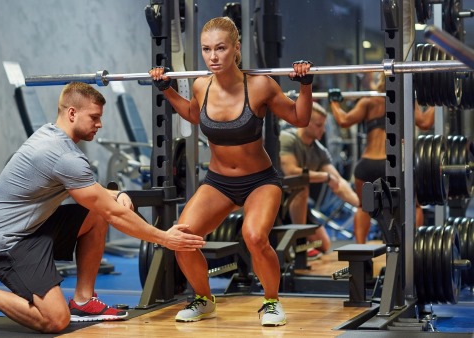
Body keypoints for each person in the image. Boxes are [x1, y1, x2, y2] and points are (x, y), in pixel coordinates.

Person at [0, 82, 206, 334]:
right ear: (72, 113)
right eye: (94, 117)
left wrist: (118, 194)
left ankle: (83, 302)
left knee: (95, 213)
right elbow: (113, 213)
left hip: (31, 228)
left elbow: (96, 196)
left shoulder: (53, 136)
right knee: (55, 320)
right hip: (3, 243)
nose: (100, 124)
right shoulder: (62, 155)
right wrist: (165, 238)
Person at [149, 16, 314, 327]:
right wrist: (166, 90)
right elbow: (194, 116)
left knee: (253, 236)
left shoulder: (260, 85)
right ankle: (204, 299)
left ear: (236, 48)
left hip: (260, 181)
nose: (213, 57)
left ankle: (271, 302)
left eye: (221, 48)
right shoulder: (201, 86)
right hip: (218, 182)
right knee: (181, 236)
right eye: (206, 49)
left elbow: (299, 118)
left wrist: (305, 86)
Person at [328, 75, 433, 243]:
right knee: (414, 206)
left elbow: (343, 120)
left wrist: (333, 101)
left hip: (367, 165)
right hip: (393, 164)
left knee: (363, 207)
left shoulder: (369, 101)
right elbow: (425, 123)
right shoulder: (406, 101)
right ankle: (413, 248)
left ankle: (361, 253)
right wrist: (439, 97)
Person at [279, 102, 360, 259]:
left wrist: (362, 205)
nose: (323, 130)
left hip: (298, 206)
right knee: (301, 186)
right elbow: (291, 173)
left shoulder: (319, 151)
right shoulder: (287, 138)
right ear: (305, 122)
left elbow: (338, 182)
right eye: (318, 125)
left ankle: (298, 242)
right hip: (278, 201)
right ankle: (298, 242)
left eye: (323, 125)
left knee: (324, 245)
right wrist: (323, 177)